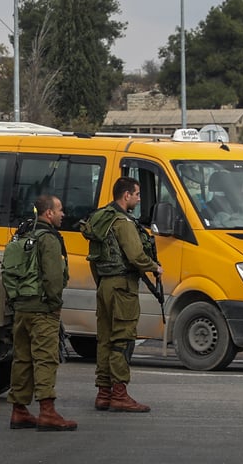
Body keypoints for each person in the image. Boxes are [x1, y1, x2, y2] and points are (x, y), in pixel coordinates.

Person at [87, 176, 162, 412]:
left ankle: (103, 392)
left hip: (105, 285)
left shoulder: (101, 219)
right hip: (123, 287)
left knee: (105, 340)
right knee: (122, 340)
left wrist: (102, 282)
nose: (139, 200)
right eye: (137, 195)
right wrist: (154, 267)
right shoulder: (123, 222)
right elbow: (135, 255)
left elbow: (94, 259)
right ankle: (119, 394)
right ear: (126, 195)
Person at [7, 194, 76, 431]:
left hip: (22, 307)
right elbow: (54, 277)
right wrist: (54, 304)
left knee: (22, 359)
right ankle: (47, 412)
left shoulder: (25, 234)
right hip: (42, 309)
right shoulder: (49, 239)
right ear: (49, 213)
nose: (63, 214)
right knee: (46, 358)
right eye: (59, 210)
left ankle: (19, 410)